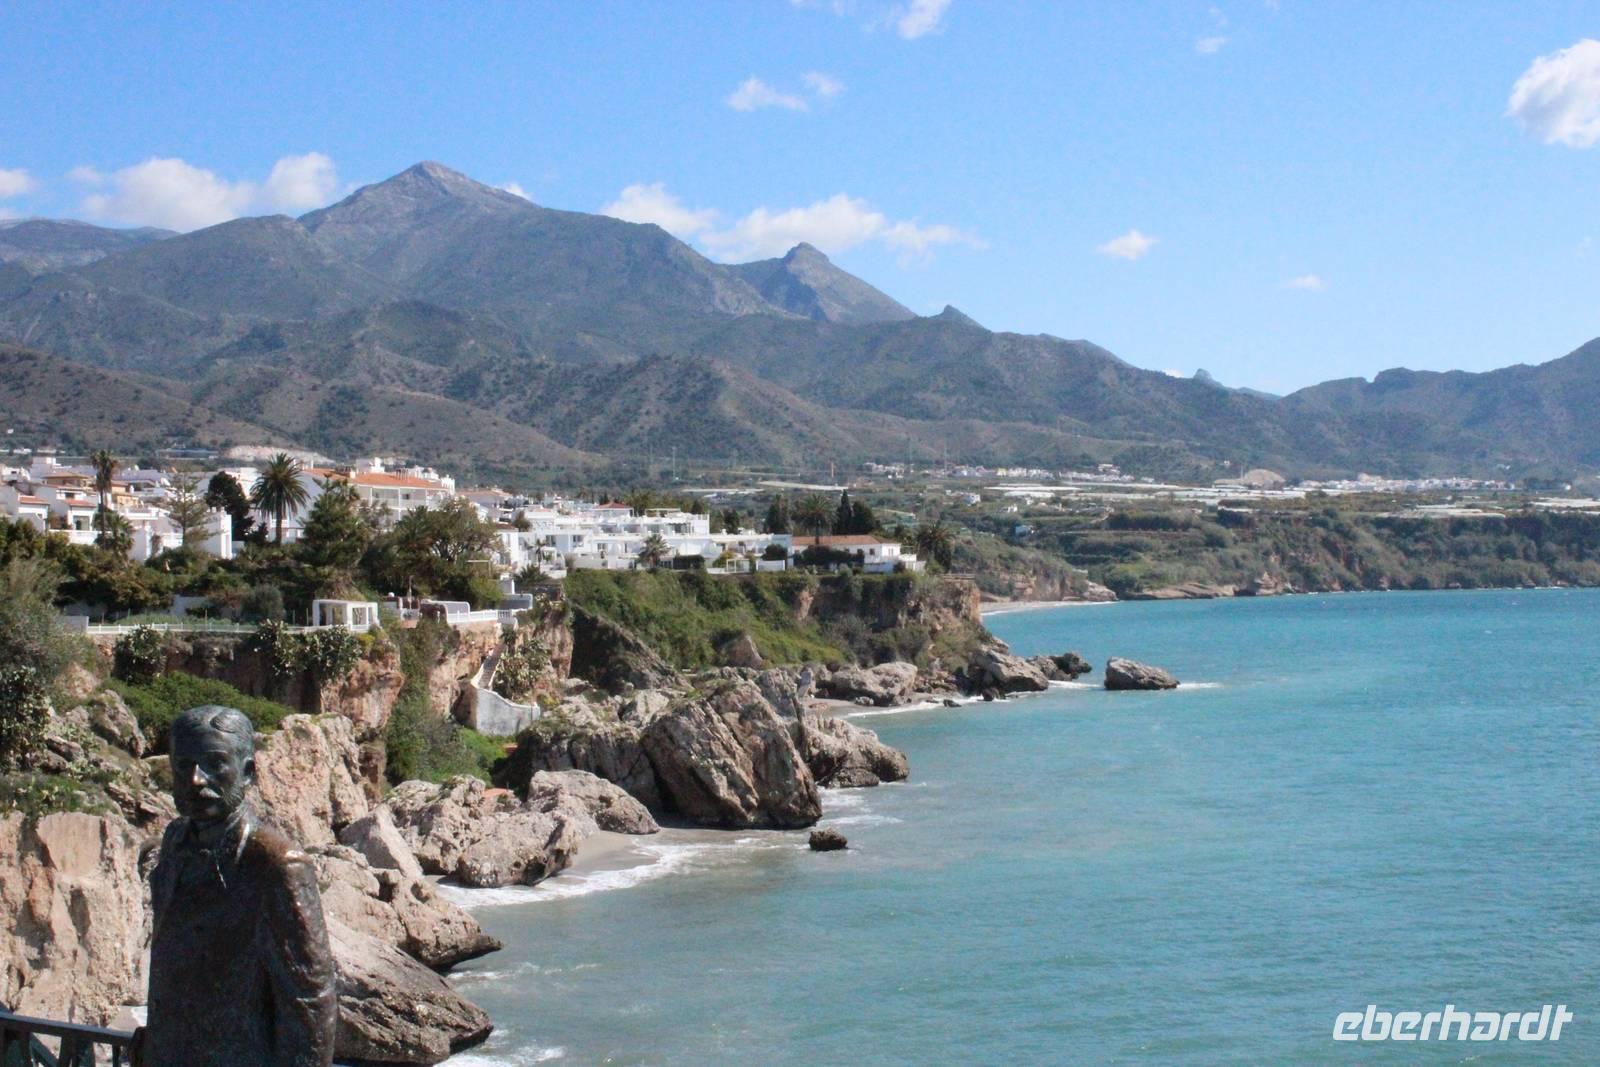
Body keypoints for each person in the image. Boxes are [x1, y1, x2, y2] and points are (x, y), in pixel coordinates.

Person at [132, 705, 337, 1067]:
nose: (196, 779)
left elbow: (310, 1002)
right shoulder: (175, 841)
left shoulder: (276, 864)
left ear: (248, 773)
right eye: (184, 765)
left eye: (215, 763)